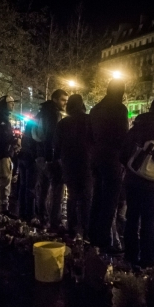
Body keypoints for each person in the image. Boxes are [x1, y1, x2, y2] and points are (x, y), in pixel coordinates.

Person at [123, 97, 154, 269]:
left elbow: (124, 150)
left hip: (131, 179)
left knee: (131, 219)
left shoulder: (136, 125)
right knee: (148, 223)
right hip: (151, 183)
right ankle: (146, 260)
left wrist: (130, 167)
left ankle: (130, 256)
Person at [89, 79, 129, 252]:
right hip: (112, 158)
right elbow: (123, 136)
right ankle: (103, 240)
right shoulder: (120, 109)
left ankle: (92, 234)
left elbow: (89, 136)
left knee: (97, 197)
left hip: (97, 158)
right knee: (110, 201)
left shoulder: (96, 109)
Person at [54, 94, 93, 240]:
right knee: (86, 198)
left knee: (72, 196)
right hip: (86, 164)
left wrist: (59, 160)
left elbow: (56, 146)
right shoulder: (89, 120)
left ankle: (72, 227)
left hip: (69, 165)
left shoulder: (63, 124)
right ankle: (86, 229)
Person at [34, 89, 68, 229]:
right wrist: (53, 157)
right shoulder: (53, 114)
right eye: (63, 100)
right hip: (49, 157)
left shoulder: (41, 112)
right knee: (56, 189)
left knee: (42, 188)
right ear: (54, 99)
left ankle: (40, 215)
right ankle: (55, 221)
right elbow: (52, 137)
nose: (65, 103)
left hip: (39, 155)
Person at [17, 121, 38, 220]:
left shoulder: (25, 135)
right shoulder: (34, 135)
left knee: (23, 185)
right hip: (30, 159)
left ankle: (21, 211)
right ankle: (30, 213)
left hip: (22, 157)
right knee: (30, 187)